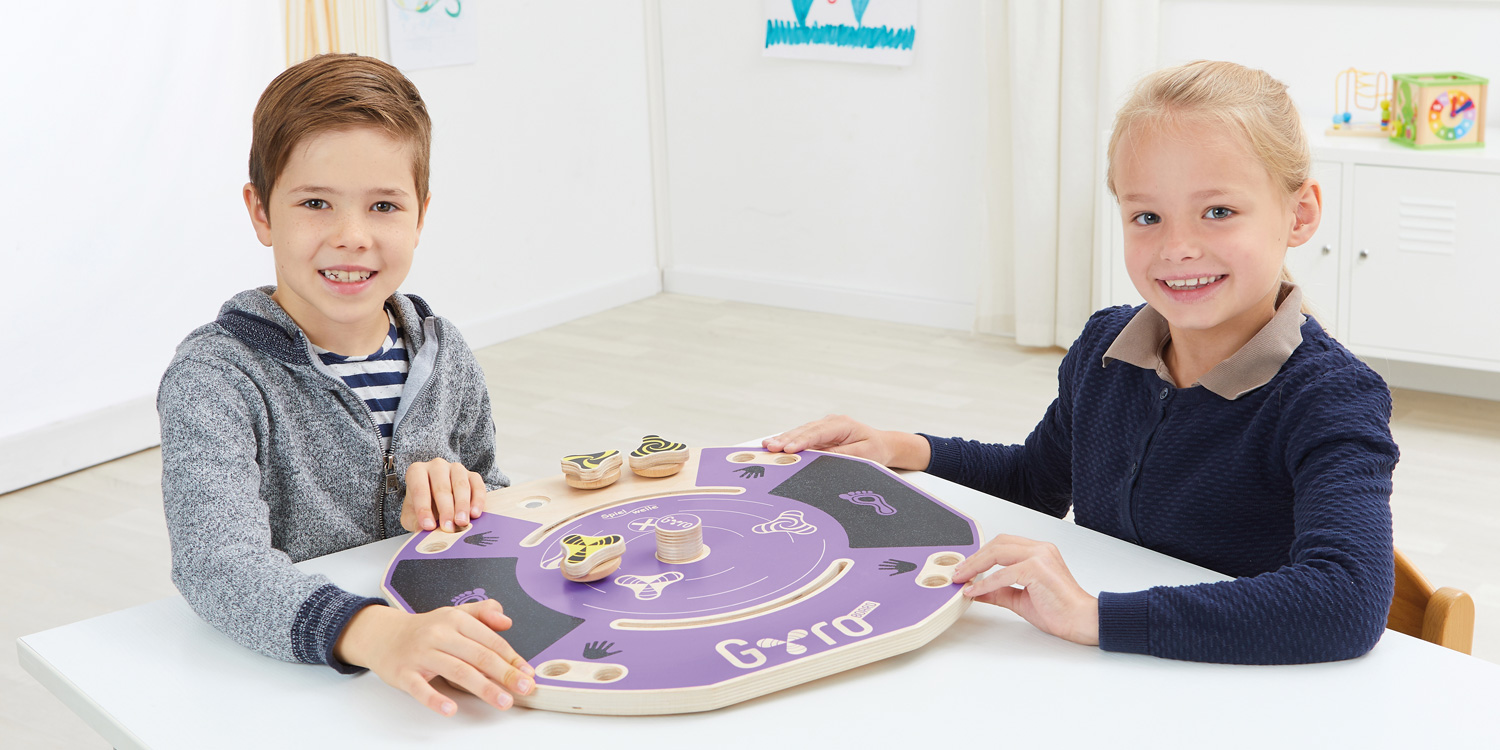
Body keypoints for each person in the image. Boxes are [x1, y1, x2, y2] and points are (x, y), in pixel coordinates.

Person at [763, 60, 1399, 665]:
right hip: (1113, 667)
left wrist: (1095, 616)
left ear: (1300, 213)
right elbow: (1036, 480)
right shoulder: (1106, 346)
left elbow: (1347, 600)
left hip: (1233, 683)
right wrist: (899, 447)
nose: (1178, 248)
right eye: (1147, 216)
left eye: (1219, 212)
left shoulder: (1331, 396)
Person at [158, 53, 533, 715]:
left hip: (426, 673)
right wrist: (378, 634)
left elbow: (490, 490)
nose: (352, 237)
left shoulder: (445, 352)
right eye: (315, 203)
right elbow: (216, 563)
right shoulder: (214, 378)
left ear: (419, 215)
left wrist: (455, 512)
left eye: (384, 205)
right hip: (297, 682)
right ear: (262, 212)